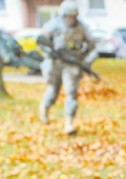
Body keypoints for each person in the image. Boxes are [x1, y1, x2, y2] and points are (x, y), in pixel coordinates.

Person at [37, 0, 97, 134]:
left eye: (73, 16)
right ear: (63, 15)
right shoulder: (53, 24)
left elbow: (93, 47)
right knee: (53, 91)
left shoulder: (82, 27)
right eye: (68, 16)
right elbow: (41, 41)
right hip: (55, 64)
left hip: (73, 64)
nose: (71, 19)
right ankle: (44, 113)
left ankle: (69, 124)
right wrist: (50, 52)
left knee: (71, 93)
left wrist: (86, 61)